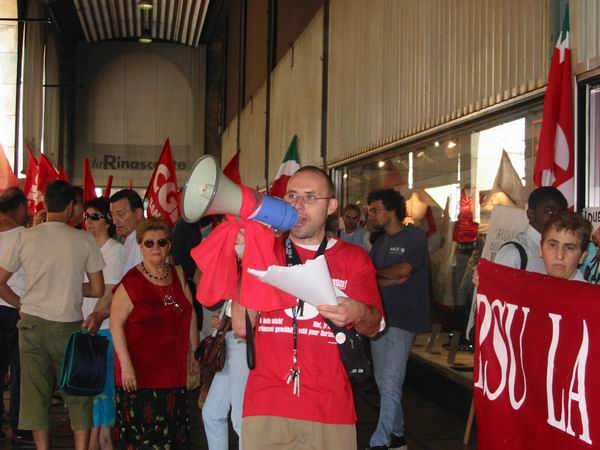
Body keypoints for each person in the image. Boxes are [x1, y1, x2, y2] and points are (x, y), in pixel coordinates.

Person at [233, 166, 383, 450]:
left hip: (330, 409)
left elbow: (374, 326)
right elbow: (241, 326)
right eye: (291, 196)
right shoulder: (266, 250)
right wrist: (248, 258)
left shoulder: (353, 258)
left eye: (310, 197)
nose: (298, 205)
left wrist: (358, 312)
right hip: (266, 405)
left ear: (331, 207)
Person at [0, 180, 105, 450]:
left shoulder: (25, 237)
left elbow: (0, 281)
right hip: (68, 327)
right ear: (71, 206)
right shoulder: (84, 239)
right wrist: (68, 283)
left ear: (45, 204)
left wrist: (20, 304)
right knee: (77, 394)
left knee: (35, 396)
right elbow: (97, 289)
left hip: (32, 325)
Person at [110, 217, 199, 449]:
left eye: (161, 242)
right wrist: (126, 366)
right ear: (140, 246)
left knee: (175, 439)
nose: (156, 247)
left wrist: (194, 352)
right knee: (146, 441)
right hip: (141, 376)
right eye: (149, 243)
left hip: (174, 374)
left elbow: (190, 313)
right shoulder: (131, 281)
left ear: (169, 245)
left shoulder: (178, 275)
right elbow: (115, 324)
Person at [366, 188, 431, 450]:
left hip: (403, 318)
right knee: (383, 381)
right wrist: (387, 277)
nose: (372, 215)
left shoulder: (414, 236)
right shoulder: (380, 242)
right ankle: (398, 435)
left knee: (391, 381)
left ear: (392, 211)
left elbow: (404, 270)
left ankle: (380, 441)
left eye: (376, 210)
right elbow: (369, 277)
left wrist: (382, 275)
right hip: (379, 318)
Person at [82, 197, 124, 450]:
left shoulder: (114, 251)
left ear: (107, 222)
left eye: (94, 217)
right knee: (90, 398)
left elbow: (109, 292)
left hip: (102, 330)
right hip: (86, 329)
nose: (88, 221)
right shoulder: (86, 247)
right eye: (86, 216)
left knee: (101, 396)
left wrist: (94, 318)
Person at [0, 188, 34, 447]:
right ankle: (21, 427)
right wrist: (20, 304)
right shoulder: (24, 235)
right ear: (20, 207)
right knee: (22, 369)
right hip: (17, 308)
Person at [202, 300, 249, 450]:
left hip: (244, 342)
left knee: (241, 420)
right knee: (212, 413)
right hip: (232, 339)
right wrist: (224, 320)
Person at [494, 186, 568, 273]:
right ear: (531, 214)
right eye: (549, 212)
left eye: (561, 213)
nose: (557, 219)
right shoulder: (513, 253)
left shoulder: (565, 252)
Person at [539, 212, 591, 281]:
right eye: (553, 245)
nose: (559, 256)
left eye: (569, 248)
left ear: (582, 256)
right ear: (541, 249)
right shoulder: (531, 286)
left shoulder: (588, 289)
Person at [109, 189, 144, 272]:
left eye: (120, 214)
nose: (114, 221)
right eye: (112, 215)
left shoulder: (149, 243)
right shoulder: (130, 238)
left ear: (138, 213)